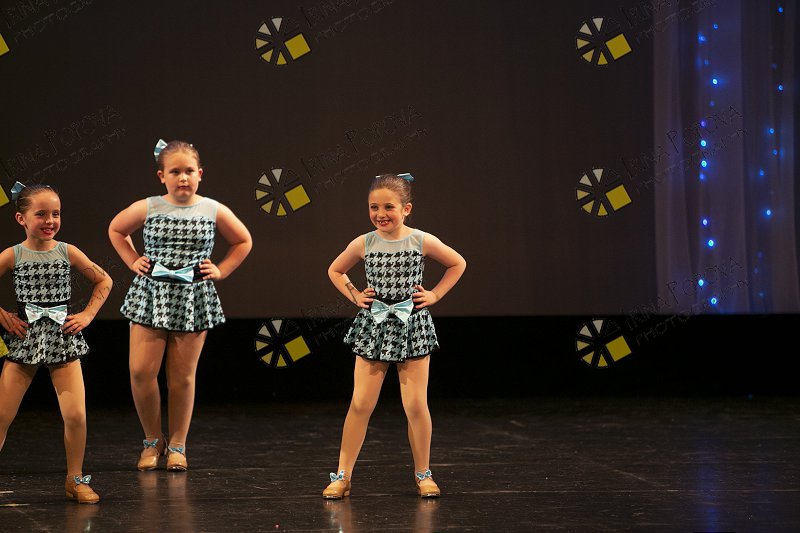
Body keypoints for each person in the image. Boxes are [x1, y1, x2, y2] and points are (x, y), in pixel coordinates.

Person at [108, 140, 252, 472]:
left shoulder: (212, 209)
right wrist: (132, 260)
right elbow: (116, 229)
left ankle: (177, 445)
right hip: (151, 294)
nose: (183, 177)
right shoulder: (150, 206)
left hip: (192, 297)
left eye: (189, 171)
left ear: (200, 174)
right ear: (162, 176)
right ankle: (151, 440)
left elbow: (243, 240)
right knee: (141, 371)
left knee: (182, 378)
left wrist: (221, 270)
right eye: (175, 171)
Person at [322, 173, 466, 499]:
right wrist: (355, 295)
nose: (380, 213)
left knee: (415, 404)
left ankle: (423, 473)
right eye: (374, 207)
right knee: (361, 403)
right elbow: (335, 269)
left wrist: (435, 295)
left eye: (389, 206)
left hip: (411, 324)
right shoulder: (364, 242)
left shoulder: (420, 240)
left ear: (406, 209)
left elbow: (457, 263)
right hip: (374, 324)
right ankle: (343, 476)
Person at [0, 182, 112, 504]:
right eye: (41, 214)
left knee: (76, 415)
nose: (50, 220)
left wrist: (88, 314)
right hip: (26, 339)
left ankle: (75, 479)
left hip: (63, 339)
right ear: (21, 219)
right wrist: (3, 315)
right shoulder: (13, 255)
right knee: (2, 415)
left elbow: (104, 280)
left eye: (56, 214)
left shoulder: (67, 251)